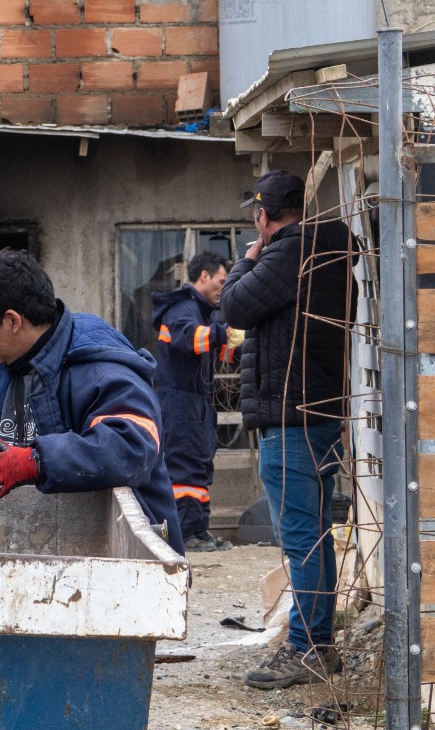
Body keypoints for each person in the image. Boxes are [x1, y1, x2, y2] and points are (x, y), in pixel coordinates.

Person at [0, 250, 185, 556]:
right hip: (45, 546)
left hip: (121, 559)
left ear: (12, 320)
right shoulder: (0, 366)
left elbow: (132, 445)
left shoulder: (98, 367)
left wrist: (35, 462)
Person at [220, 170, 354, 691]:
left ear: (263, 216)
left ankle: (308, 649)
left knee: (301, 536)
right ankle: (315, 641)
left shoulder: (285, 253)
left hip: (291, 415)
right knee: (314, 532)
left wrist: (245, 258)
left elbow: (233, 306)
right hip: (316, 410)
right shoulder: (328, 248)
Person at [150, 250, 241, 552]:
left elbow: (214, 348)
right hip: (178, 403)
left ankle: (199, 530)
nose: (222, 287)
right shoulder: (181, 309)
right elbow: (191, 339)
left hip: (194, 403)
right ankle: (185, 534)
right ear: (204, 277)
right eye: (220, 280)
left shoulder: (198, 311)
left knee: (199, 466)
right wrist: (223, 332)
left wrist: (238, 346)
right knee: (183, 467)